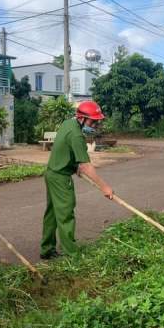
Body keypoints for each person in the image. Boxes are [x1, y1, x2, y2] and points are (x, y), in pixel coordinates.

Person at [40, 100, 113, 259]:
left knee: (52, 213)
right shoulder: (77, 135)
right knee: (65, 215)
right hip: (60, 178)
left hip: (51, 173)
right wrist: (104, 187)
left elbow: (64, 148)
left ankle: (47, 249)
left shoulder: (68, 124)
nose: (94, 125)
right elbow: (86, 166)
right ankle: (72, 254)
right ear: (81, 118)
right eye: (93, 122)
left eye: (96, 122)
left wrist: (74, 166)